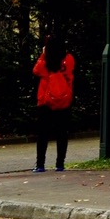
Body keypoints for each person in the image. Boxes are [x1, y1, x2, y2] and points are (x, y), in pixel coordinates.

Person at [32, 31, 76, 172]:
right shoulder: (68, 59)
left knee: (43, 134)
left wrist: (43, 54)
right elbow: (70, 74)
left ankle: (40, 164)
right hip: (64, 100)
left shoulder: (45, 62)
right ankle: (60, 164)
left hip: (45, 101)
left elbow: (36, 71)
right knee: (62, 133)